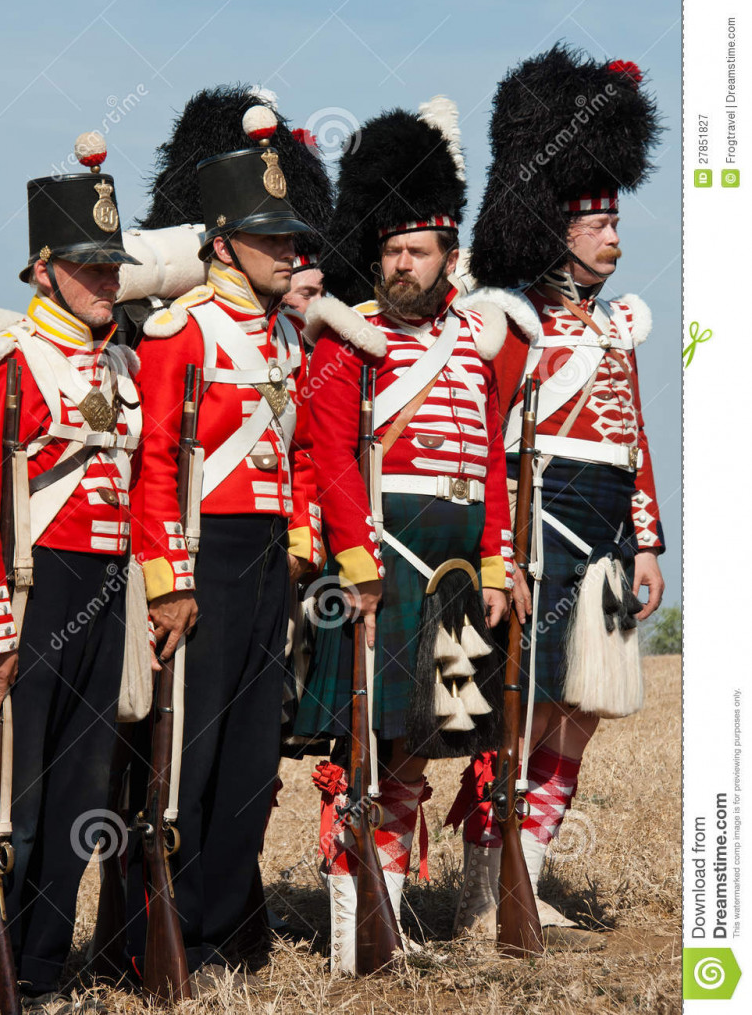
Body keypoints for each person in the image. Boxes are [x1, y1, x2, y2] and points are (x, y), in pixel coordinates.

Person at [293, 99, 517, 973]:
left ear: (448, 257)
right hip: (384, 566)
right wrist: (358, 557)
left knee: (422, 751)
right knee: (364, 751)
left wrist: (497, 562)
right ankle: (358, 940)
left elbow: (495, 463)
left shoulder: (475, 339)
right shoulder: (350, 337)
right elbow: (331, 454)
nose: (399, 264)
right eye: (389, 250)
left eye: (415, 251)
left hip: (460, 574)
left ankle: (390, 918)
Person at [449, 45, 666, 947]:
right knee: (526, 700)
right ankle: (483, 885)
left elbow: (634, 442)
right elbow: (491, 445)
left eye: (615, 224)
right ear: (561, 231)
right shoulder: (515, 319)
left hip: (607, 521)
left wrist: (648, 542)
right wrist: (503, 552)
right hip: (540, 517)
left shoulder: (618, 324)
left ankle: (527, 880)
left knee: (583, 710)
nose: (615, 238)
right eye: (599, 226)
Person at [127, 90, 330, 986]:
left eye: (292, 237)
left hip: (269, 561)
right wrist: (169, 580)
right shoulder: (183, 330)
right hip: (201, 557)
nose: (290, 250)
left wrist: (303, 540)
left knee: (250, 759)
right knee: (186, 759)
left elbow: (305, 455)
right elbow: (157, 466)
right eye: (270, 237)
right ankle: (157, 940)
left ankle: (215, 932)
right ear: (220, 243)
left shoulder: (286, 334)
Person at [0, 134, 142, 1013]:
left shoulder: (123, 365)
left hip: (108, 590)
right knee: (19, 801)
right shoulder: (8, 364)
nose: (107, 279)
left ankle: (41, 966)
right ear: (45, 269)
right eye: (89, 265)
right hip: (35, 591)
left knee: (82, 793)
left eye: (112, 264)